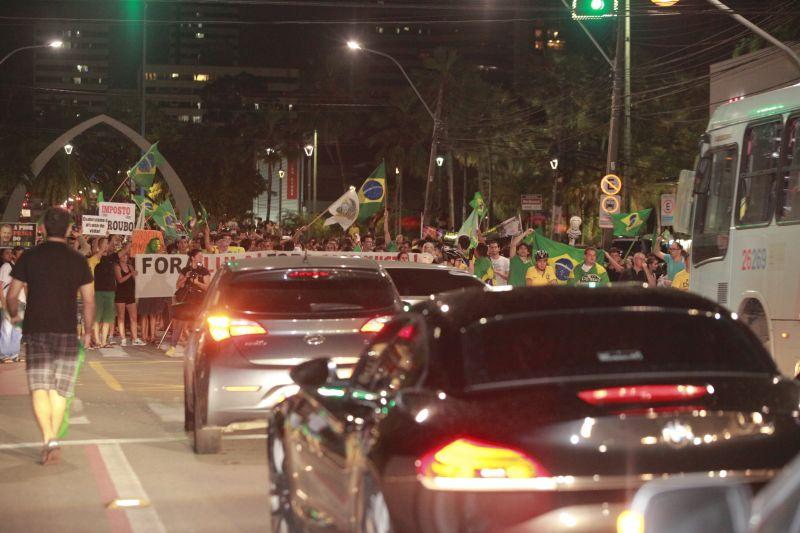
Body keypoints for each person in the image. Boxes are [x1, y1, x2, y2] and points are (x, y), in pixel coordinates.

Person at [7, 207, 94, 465]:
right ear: (69, 230)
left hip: (36, 331)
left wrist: (14, 315)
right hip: (67, 333)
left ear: (42, 228)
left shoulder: (29, 257)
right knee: (60, 391)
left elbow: (12, 295)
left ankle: (48, 438)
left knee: (39, 388)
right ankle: (53, 437)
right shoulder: (78, 260)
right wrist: (88, 332)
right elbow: (89, 301)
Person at [165, 249, 211, 357]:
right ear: (193, 258)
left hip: (199, 300)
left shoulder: (204, 271)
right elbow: (178, 285)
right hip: (186, 299)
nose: (201, 257)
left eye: (202, 256)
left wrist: (197, 282)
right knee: (179, 323)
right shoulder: (185, 270)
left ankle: (195, 348)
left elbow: (207, 287)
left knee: (196, 325)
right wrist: (186, 277)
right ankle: (172, 347)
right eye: (199, 256)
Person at [113, 243, 144, 346]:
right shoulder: (116, 266)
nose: (125, 257)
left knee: (133, 317)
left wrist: (135, 275)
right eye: (123, 255)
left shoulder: (130, 266)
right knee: (121, 317)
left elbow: (135, 280)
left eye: (126, 255)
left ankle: (135, 338)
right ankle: (123, 338)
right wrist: (130, 274)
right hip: (120, 294)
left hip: (130, 294)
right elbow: (120, 280)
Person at [0, 247, 23, 362]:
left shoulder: (23, 268)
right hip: (9, 303)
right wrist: (4, 304)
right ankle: (4, 355)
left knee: (17, 331)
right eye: (19, 254)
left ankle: (14, 354)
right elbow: (0, 286)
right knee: (6, 329)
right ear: (14, 256)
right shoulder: (6, 267)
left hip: (21, 302)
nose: (21, 257)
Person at [93, 247, 117, 348]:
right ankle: (97, 341)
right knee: (97, 318)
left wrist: (128, 241)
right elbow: (96, 249)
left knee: (107, 319)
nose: (106, 248)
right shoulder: (95, 258)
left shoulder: (112, 258)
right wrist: (99, 240)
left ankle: (103, 341)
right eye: (103, 245)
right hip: (98, 291)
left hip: (110, 292)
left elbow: (124, 251)